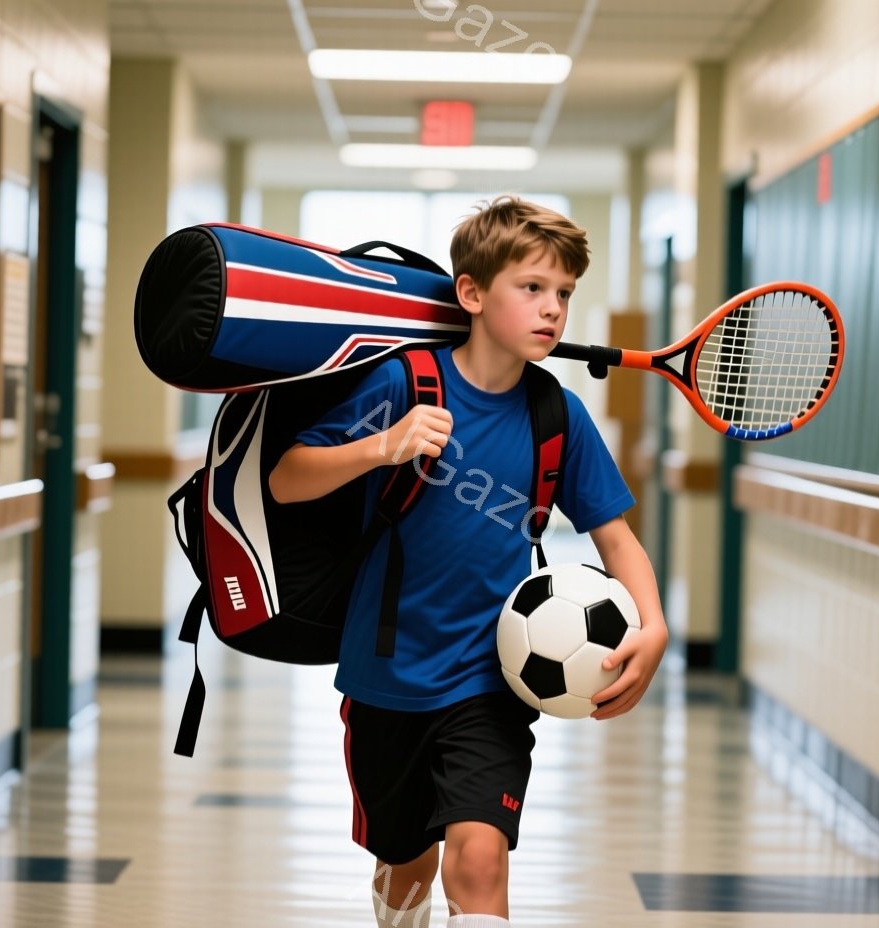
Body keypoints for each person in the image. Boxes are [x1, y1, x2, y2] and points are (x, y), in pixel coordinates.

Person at [268, 196, 668, 928]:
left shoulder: (556, 414)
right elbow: (287, 480)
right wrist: (382, 446)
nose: (553, 309)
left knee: (480, 860)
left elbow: (617, 539)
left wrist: (656, 625)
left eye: (565, 294)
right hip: (386, 674)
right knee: (407, 862)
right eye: (533, 288)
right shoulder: (402, 385)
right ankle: (400, 901)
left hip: (496, 674)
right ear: (473, 294)